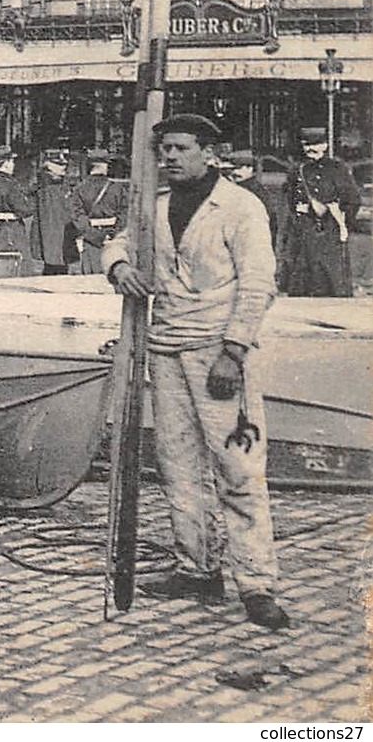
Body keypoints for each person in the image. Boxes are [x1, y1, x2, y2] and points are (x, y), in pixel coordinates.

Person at [102, 113, 289, 631]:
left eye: (182, 148)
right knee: (178, 466)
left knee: (239, 470)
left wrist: (234, 350)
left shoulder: (240, 207)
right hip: (164, 348)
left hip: (218, 352)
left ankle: (257, 585)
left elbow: (259, 282)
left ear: (210, 153)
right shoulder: (154, 207)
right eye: (165, 149)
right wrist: (120, 268)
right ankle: (198, 569)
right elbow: (117, 242)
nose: (170, 157)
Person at [278, 127, 358, 298]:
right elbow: (291, 199)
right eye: (306, 145)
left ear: (325, 145)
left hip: (327, 230)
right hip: (304, 229)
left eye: (315, 144)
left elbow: (352, 200)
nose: (310, 149)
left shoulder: (336, 168)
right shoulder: (297, 170)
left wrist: (341, 222)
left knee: (329, 280)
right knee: (301, 279)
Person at [70, 150, 125, 274]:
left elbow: (77, 216)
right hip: (113, 240)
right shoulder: (117, 188)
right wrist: (114, 233)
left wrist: (94, 236)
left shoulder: (80, 188)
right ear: (105, 165)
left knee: (91, 280)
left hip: (91, 241)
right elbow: (124, 213)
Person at [29, 153, 75, 275]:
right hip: (56, 234)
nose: (64, 169)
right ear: (51, 168)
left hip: (53, 237)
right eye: (60, 165)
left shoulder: (46, 188)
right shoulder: (50, 189)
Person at [227, 150, 280, 247]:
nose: (234, 172)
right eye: (232, 169)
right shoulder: (236, 188)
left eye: (238, 168)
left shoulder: (255, 192)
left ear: (250, 168)